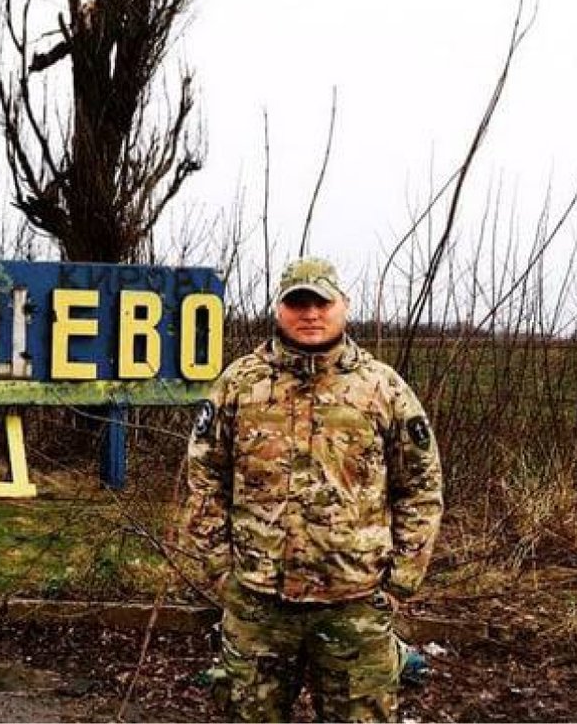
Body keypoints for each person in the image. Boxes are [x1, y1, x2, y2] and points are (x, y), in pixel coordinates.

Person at [181, 256, 443, 722]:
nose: (311, 314)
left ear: (344, 305)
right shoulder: (240, 385)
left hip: (354, 604)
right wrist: (220, 572)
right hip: (258, 605)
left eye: (322, 303)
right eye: (297, 303)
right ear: (278, 310)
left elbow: (421, 487)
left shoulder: (381, 389)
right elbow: (204, 479)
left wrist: (400, 581)